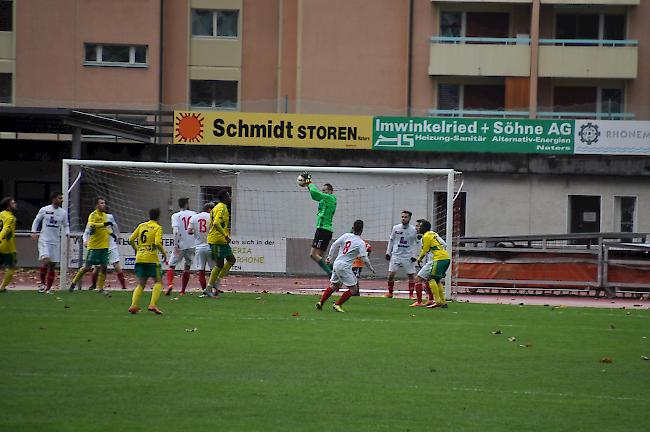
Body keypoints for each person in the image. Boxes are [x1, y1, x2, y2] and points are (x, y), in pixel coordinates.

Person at [316, 220, 375, 313]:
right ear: (362, 230)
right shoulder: (360, 242)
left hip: (336, 263)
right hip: (344, 266)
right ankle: (337, 304)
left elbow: (334, 245)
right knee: (354, 289)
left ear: (353, 228)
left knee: (334, 285)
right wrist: (370, 268)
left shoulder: (346, 235)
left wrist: (329, 257)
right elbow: (364, 258)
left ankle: (321, 302)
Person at [69, 197, 112, 292]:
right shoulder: (93, 215)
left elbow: (105, 228)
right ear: (96, 205)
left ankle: (100, 288)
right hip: (94, 246)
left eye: (104, 203)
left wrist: (111, 233)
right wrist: (103, 225)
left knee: (104, 267)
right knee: (87, 268)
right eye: (101, 203)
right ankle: (73, 283)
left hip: (104, 246)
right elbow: (92, 225)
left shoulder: (105, 216)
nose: (103, 205)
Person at [128, 208, 166, 314]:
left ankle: (133, 305)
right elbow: (158, 243)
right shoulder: (157, 228)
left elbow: (131, 239)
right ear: (158, 217)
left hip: (140, 258)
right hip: (151, 259)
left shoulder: (141, 226)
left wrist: (137, 250)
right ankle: (152, 304)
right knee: (158, 282)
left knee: (141, 284)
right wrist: (164, 253)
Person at [30, 191, 69, 293]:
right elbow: (37, 220)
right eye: (60, 198)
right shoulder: (45, 209)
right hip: (44, 240)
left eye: (62, 198)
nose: (62, 200)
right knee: (46, 260)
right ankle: (42, 284)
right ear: (54, 199)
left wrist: (67, 234)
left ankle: (48, 288)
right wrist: (33, 232)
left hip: (55, 241)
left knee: (52, 265)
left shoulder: (63, 212)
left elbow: (66, 225)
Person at [298, 173, 337, 276]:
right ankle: (338, 271)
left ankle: (331, 274)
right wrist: (308, 185)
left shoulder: (330, 198)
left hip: (322, 230)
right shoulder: (326, 199)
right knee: (320, 257)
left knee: (313, 254)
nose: (322, 192)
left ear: (330, 191)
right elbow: (314, 195)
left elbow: (316, 193)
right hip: (326, 230)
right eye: (322, 190)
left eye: (324, 190)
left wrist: (309, 182)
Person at [411, 219, 450, 309]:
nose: (417, 228)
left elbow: (424, 250)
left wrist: (419, 259)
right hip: (445, 258)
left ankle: (436, 301)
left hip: (437, 259)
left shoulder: (426, 236)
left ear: (424, 228)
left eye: (419, 226)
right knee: (436, 280)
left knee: (430, 279)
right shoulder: (433, 234)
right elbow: (444, 244)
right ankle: (442, 302)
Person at [84, 211, 126, 291]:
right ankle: (94, 285)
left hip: (111, 245)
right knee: (97, 267)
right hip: (100, 246)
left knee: (117, 266)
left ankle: (124, 286)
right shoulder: (93, 216)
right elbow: (87, 231)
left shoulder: (109, 216)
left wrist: (118, 236)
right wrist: (85, 240)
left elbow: (115, 226)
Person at [204, 190, 236, 297]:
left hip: (217, 239)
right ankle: (210, 287)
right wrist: (225, 235)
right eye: (228, 196)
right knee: (223, 262)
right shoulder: (222, 208)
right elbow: (216, 223)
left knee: (228, 260)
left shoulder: (216, 207)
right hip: (218, 240)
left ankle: (215, 283)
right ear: (224, 198)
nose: (229, 198)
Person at [165, 197, 197, 295]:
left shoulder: (175, 216)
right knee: (187, 267)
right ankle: (182, 291)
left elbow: (175, 232)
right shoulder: (194, 214)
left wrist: (176, 245)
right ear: (187, 204)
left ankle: (170, 284)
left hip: (181, 244)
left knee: (171, 266)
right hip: (192, 244)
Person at [384, 210, 418, 299]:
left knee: (411, 275)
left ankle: (411, 294)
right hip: (396, 255)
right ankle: (390, 293)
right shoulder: (396, 228)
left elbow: (417, 243)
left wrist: (415, 255)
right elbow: (391, 240)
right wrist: (388, 252)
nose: (403, 218)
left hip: (408, 256)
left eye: (406, 217)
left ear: (409, 218)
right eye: (402, 217)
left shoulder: (414, 229)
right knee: (391, 275)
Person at [188, 202, 214, 295]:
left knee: (201, 271)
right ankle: (212, 290)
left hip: (199, 246)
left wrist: (196, 232)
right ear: (209, 209)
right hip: (210, 246)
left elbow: (189, 231)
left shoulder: (194, 217)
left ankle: (204, 291)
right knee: (213, 270)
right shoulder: (211, 217)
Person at [0, 197, 17, 292]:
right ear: (8, 207)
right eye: (13, 203)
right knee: (12, 266)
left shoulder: (0, 214)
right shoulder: (11, 218)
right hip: (7, 246)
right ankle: (2, 287)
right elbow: (5, 230)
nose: (15, 204)